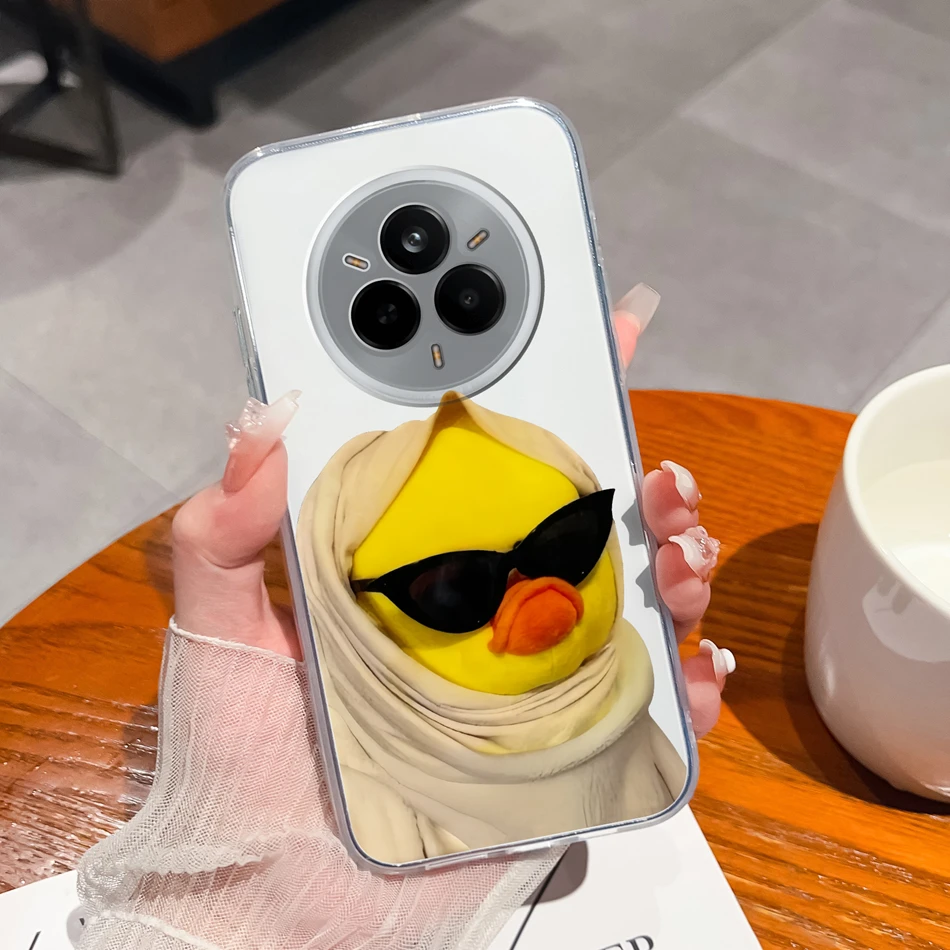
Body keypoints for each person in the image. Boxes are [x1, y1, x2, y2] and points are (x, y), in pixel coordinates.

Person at [75, 288, 734, 950]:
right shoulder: (357, 795)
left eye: (570, 541)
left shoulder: (632, 700)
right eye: (452, 590)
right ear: (349, 612)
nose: (535, 596)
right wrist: (252, 903)